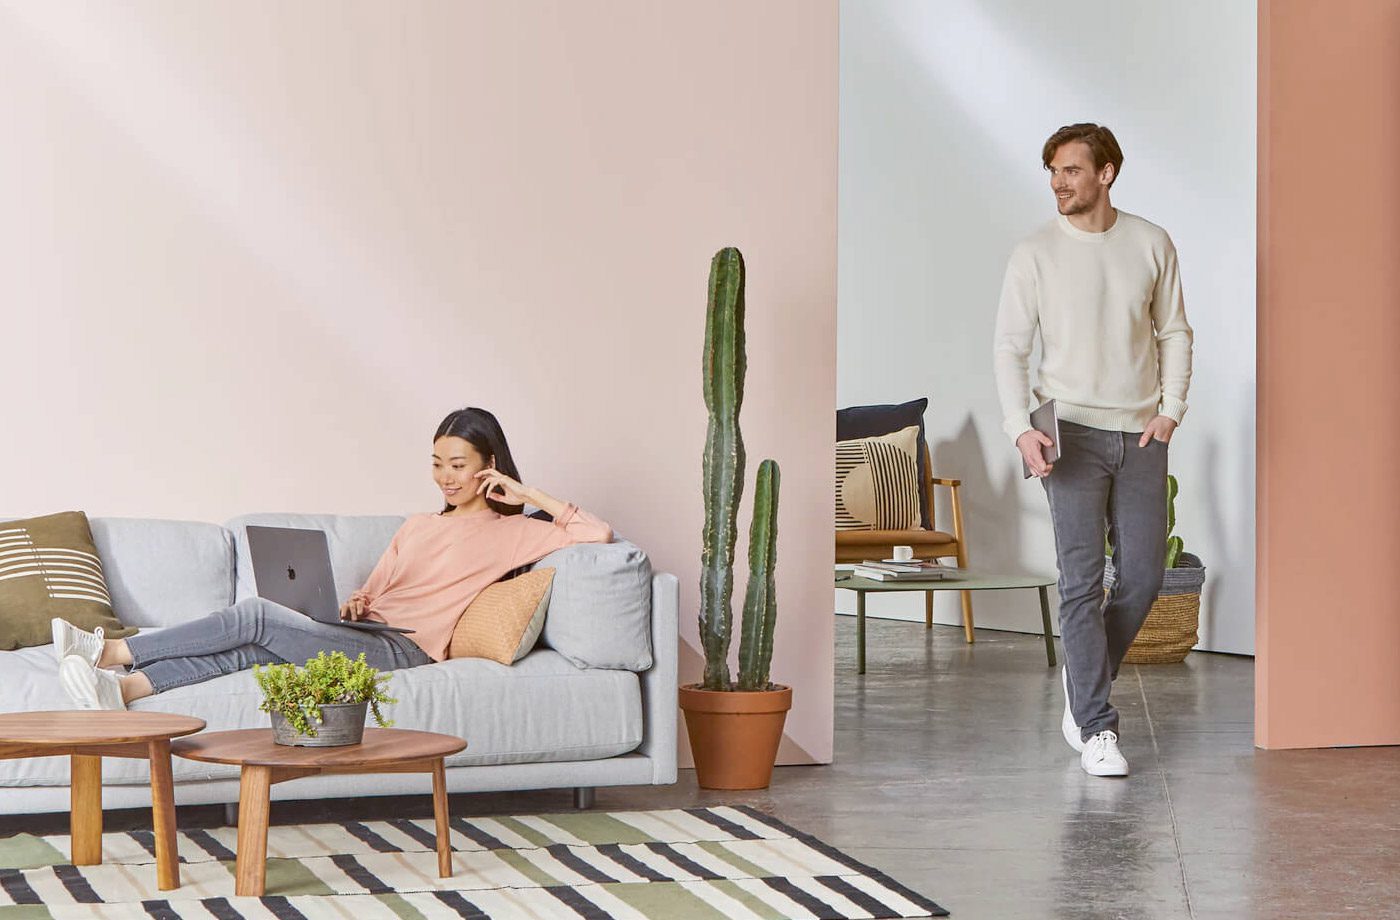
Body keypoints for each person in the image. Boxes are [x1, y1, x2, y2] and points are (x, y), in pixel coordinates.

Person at [53, 407, 613, 711]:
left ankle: (111, 650)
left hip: (407, 652)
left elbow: (598, 532)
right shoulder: (418, 525)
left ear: (490, 464)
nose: (446, 477)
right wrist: (358, 601)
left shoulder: (514, 533)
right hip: (366, 633)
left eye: (459, 465)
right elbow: (377, 590)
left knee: (257, 615)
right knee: (254, 648)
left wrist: (529, 495)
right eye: (437, 463)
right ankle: (123, 691)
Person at [993, 123, 1194, 777]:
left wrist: (1170, 413)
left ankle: (1080, 693)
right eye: (1053, 170)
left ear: (1106, 173)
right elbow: (1009, 348)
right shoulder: (1035, 254)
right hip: (1067, 431)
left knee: (1143, 576)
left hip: (1139, 432)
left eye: (1072, 170)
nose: (1058, 182)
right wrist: (1019, 426)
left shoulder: (1150, 243)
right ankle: (1097, 725)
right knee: (1080, 581)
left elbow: (1174, 331)